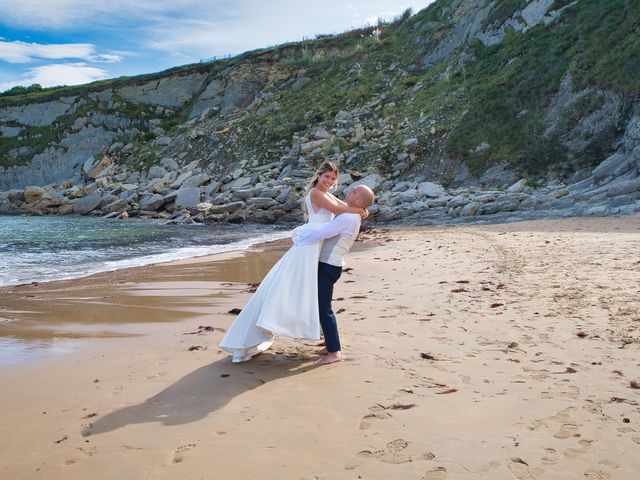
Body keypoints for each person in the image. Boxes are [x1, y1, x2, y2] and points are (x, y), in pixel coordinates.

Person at [219, 161, 367, 363]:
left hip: (316, 246)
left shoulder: (329, 194)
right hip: (309, 244)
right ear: (319, 175)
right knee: (289, 288)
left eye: (333, 179)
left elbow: (342, 207)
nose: (329, 181)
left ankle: (326, 341)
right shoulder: (316, 193)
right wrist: (360, 211)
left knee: (308, 295)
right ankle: (275, 324)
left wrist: (359, 209)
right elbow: (338, 209)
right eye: (327, 177)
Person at [292, 185, 375, 365]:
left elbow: (323, 232)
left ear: (359, 201)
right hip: (330, 265)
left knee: (324, 309)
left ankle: (334, 352)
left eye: (354, 191)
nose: (349, 190)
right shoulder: (352, 214)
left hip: (329, 266)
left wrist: (298, 234)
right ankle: (329, 344)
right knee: (321, 306)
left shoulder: (348, 217)